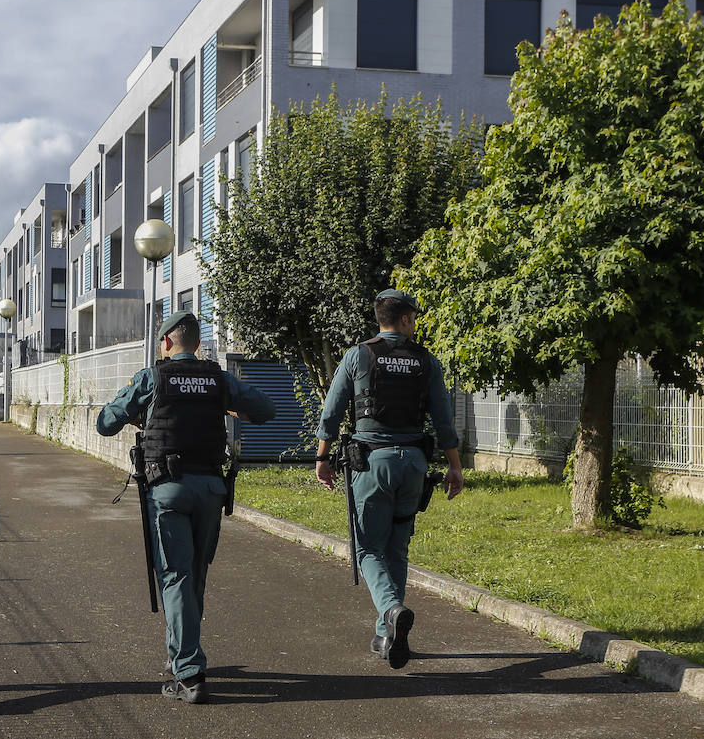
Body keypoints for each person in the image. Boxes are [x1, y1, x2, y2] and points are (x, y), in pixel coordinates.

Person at [96, 311, 276, 704]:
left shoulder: (152, 378)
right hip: (211, 489)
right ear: (197, 342)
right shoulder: (218, 379)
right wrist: (226, 407)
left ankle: (189, 673)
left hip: (168, 491)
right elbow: (266, 410)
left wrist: (139, 414)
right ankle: (181, 654)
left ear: (165, 343)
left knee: (175, 575)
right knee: (194, 574)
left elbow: (105, 423)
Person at [313, 289, 464, 670]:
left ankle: (392, 609)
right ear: (407, 319)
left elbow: (331, 412)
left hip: (371, 465)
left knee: (367, 549)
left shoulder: (358, 355)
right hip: (413, 464)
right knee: (397, 549)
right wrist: (455, 466)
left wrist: (322, 456)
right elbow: (443, 419)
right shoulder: (426, 361)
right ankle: (387, 634)